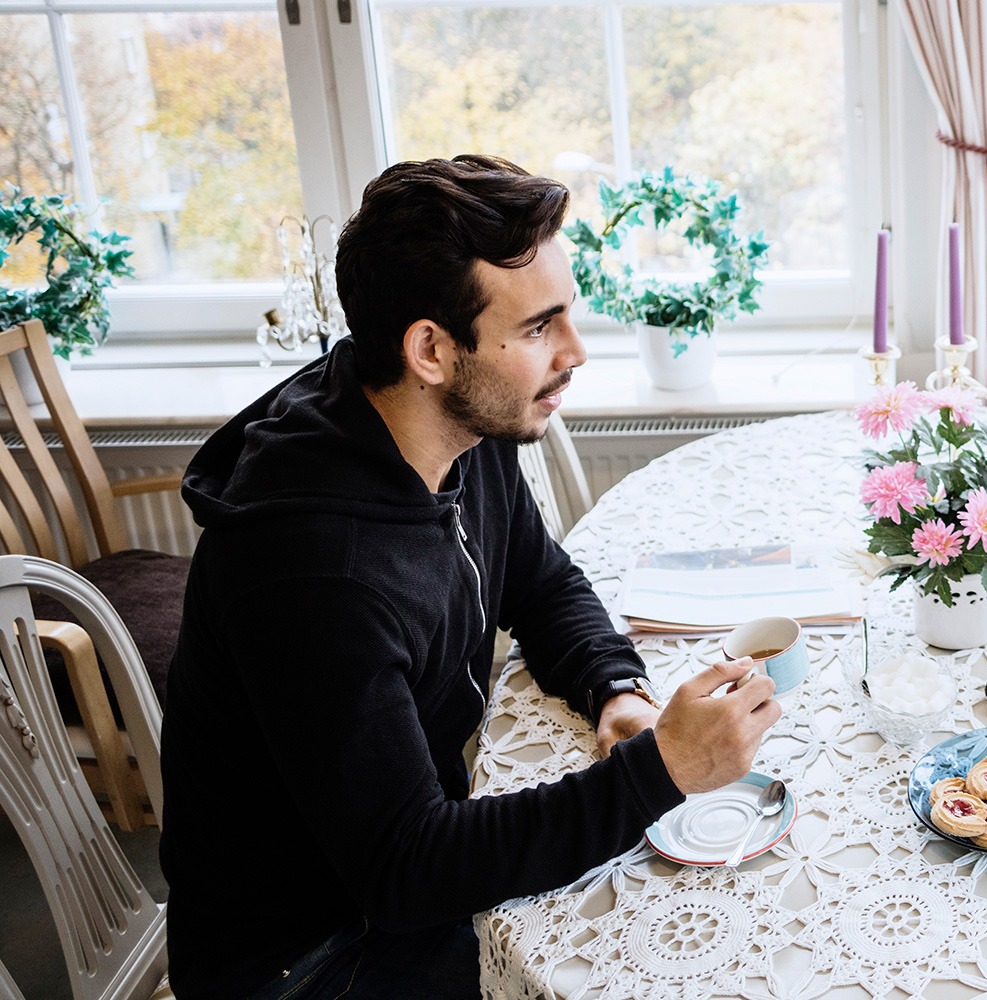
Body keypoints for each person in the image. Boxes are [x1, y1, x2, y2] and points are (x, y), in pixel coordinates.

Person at [160, 155, 781, 1000]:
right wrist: (662, 770)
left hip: (401, 874)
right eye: (538, 329)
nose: (576, 352)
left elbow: (540, 579)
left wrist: (615, 691)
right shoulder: (312, 576)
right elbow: (409, 870)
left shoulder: (449, 429)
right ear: (431, 350)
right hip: (314, 957)